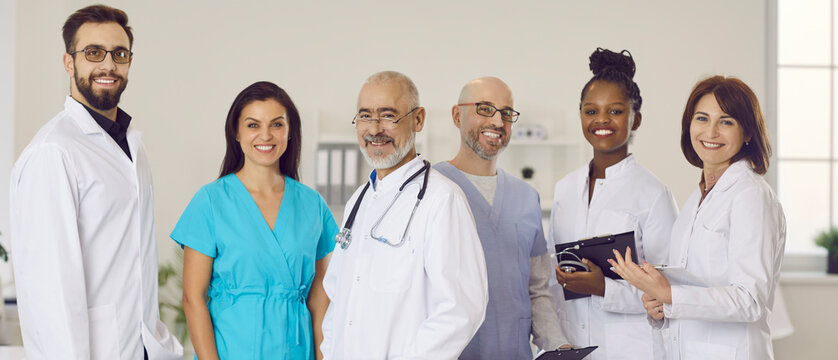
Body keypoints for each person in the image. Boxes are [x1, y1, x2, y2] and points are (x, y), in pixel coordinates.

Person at [9, 5, 182, 359]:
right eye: (93, 53)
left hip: (142, 346)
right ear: (69, 62)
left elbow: (136, 261)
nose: (108, 65)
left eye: (119, 54)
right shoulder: (53, 152)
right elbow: (50, 291)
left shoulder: (132, 143)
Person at [610, 76, 786, 360]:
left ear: (748, 133)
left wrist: (669, 294)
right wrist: (661, 306)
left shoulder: (751, 195)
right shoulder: (696, 200)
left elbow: (751, 301)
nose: (711, 131)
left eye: (726, 121)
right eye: (702, 118)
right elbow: (693, 286)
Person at [321, 71, 488, 359]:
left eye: (388, 115)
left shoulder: (441, 200)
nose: (375, 129)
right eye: (364, 116)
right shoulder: (357, 202)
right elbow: (338, 298)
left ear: (418, 119)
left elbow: (461, 308)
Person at [171, 81, 337, 359]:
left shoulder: (312, 204)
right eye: (253, 125)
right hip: (232, 349)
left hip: (296, 350)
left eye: (276, 124)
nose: (266, 135)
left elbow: (320, 296)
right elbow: (193, 299)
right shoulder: (211, 201)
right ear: (236, 132)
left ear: (289, 131)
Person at [548, 48, 678, 360]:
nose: (601, 120)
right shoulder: (565, 190)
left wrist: (603, 287)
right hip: (573, 343)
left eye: (615, 111)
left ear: (636, 120)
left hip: (631, 348)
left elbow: (670, 292)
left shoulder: (654, 194)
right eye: (591, 111)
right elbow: (553, 280)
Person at [433, 76, 570, 359]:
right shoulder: (430, 190)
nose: (497, 122)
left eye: (506, 113)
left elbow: (537, 290)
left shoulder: (526, 198)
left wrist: (558, 344)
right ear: (457, 115)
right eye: (484, 108)